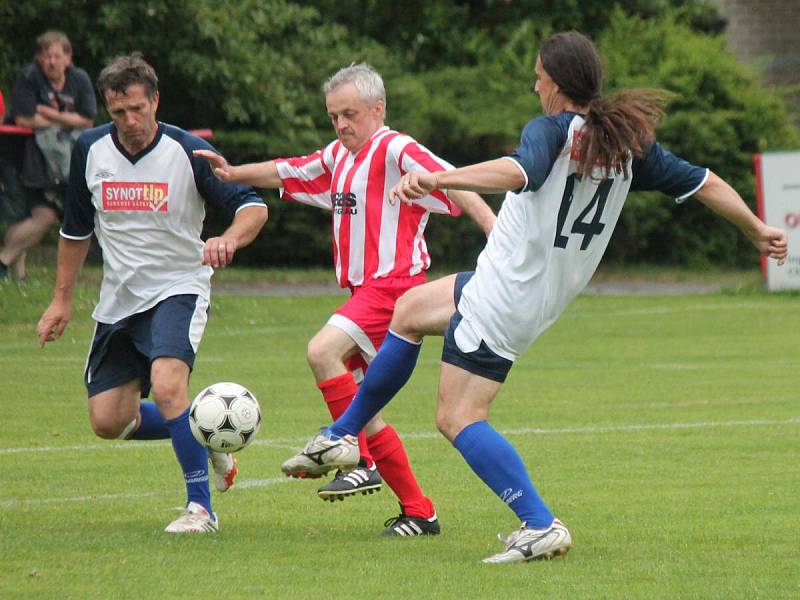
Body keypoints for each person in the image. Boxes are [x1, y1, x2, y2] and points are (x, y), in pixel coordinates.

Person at [280, 31, 789, 561]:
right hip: (525, 291)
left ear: (557, 83)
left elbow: (519, 172)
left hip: (504, 296)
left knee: (458, 418)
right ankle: (343, 433)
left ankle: (539, 522)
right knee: (409, 312)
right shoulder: (627, 144)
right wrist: (756, 228)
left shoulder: (551, 129)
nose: (534, 82)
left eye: (539, 75)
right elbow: (705, 182)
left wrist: (439, 179)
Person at [195, 63, 495, 536]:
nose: (341, 124)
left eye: (350, 114)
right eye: (334, 115)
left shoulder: (395, 147)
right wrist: (232, 173)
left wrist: (492, 230)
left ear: (378, 109)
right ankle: (418, 510)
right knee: (366, 409)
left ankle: (358, 457)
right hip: (365, 293)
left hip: (394, 287)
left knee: (322, 351)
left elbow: (452, 178)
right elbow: (287, 170)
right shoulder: (339, 156)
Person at [36, 53, 269, 533]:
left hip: (178, 287)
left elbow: (253, 205)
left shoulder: (187, 151)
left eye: (138, 109)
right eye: (119, 112)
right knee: (108, 420)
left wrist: (229, 238)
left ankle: (200, 509)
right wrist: (61, 299)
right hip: (119, 300)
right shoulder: (90, 148)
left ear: (155, 100)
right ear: (108, 108)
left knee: (167, 386)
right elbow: (76, 231)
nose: (130, 121)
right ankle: (205, 432)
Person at [0, 31, 97, 281]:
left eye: (57, 56)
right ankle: (10, 269)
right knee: (26, 214)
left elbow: (87, 120)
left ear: (68, 58)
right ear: (39, 59)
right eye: (46, 56)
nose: (52, 61)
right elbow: (23, 118)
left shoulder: (79, 78)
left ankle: (11, 270)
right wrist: (67, 121)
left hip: (52, 162)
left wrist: (45, 113)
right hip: (18, 155)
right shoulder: (30, 75)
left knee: (41, 214)